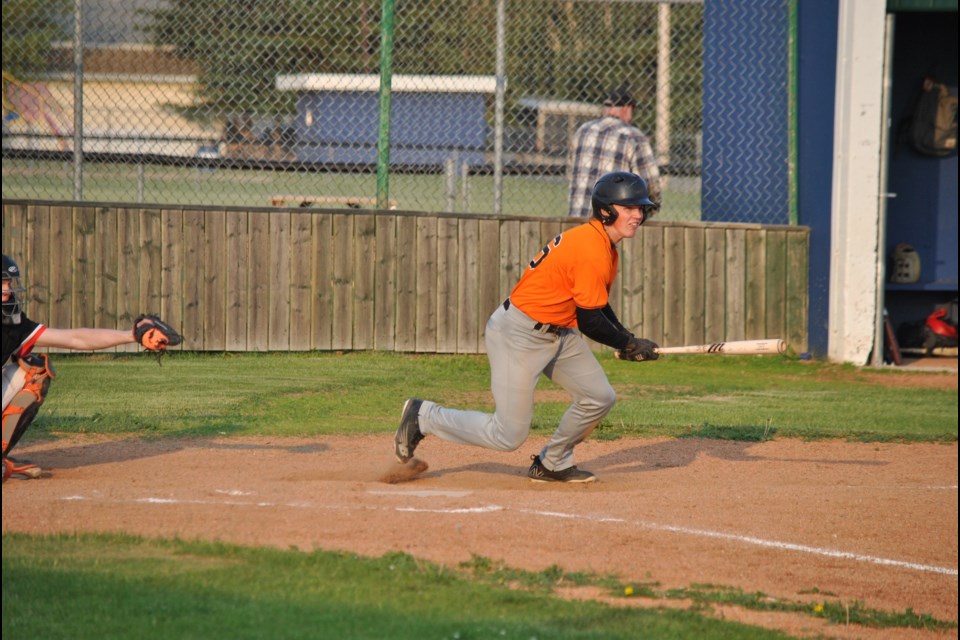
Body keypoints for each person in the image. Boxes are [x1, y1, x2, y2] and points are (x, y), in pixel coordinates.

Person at [394, 172, 660, 483]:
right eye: (629, 208)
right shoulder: (591, 248)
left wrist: (627, 340)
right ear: (606, 210)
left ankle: (552, 462)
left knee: (599, 396)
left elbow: (597, 306)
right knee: (507, 435)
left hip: (558, 332)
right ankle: (423, 416)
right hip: (518, 334)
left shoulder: (603, 244)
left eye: (640, 209)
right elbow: (590, 321)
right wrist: (626, 343)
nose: (638, 215)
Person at [2, 254, 177, 481]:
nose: (7, 290)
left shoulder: (12, 323)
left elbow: (76, 338)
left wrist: (131, 335)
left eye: (8, 283)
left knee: (35, 371)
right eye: (2, 283)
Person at [567, 86, 661, 218]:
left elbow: (571, 174)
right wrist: (647, 211)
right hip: (612, 225)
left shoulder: (582, 131)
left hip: (576, 221)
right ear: (627, 108)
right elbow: (650, 189)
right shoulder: (633, 136)